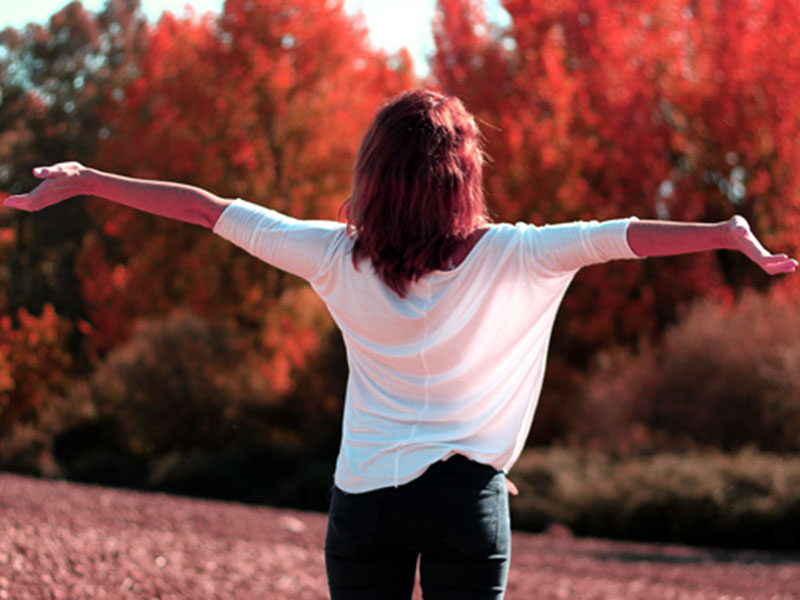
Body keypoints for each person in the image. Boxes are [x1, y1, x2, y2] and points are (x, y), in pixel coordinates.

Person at [4, 89, 796, 599]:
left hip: (365, 500)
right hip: (466, 504)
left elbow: (210, 210)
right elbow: (624, 237)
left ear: (373, 173)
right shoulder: (518, 254)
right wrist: (726, 235)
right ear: (465, 177)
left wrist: (90, 177)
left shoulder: (331, 254)